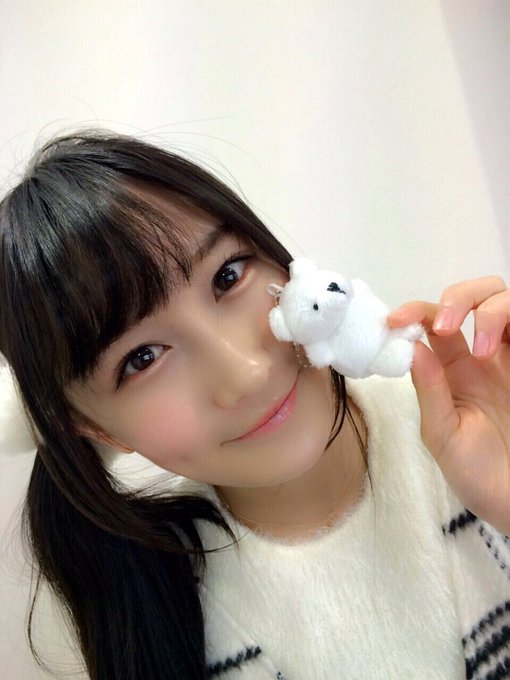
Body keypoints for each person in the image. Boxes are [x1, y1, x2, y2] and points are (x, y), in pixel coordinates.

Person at [0, 130, 509, 680]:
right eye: (142, 358)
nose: (247, 372)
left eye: (228, 276)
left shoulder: (479, 427)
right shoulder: (158, 619)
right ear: (96, 429)